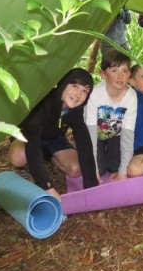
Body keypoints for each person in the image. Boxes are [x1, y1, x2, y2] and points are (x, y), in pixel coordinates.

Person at [8, 68, 98, 200]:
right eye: (74, 86)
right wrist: (47, 187)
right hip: (28, 137)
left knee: (75, 169)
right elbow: (33, 145)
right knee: (19, 157)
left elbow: (84, 142)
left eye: (85, 91)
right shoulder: (43, 102)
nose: (78, 94)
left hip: (53, 139)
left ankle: (46, 157)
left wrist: (91, 184)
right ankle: (30, 168)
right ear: (63, 84)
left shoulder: (75, 110)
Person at [85, 50, 137, 181]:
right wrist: (94, 171)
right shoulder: (95, 94)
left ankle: (112, 159)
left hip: (116, 134)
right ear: (103, 74)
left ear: (129, 74)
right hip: (96, 135)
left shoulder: (131, 96)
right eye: (114, 70)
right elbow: (90, 134)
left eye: (124, 71)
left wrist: (122, 172)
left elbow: (128, 134)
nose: (120, 76)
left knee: (115, 167)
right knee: (100, 169)